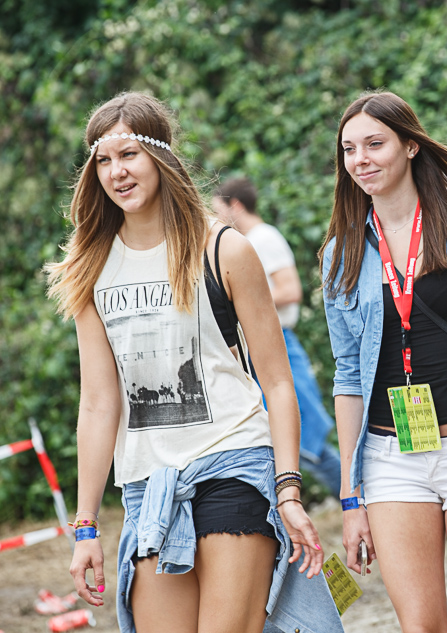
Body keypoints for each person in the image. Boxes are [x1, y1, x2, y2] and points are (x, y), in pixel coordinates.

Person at [45, 92, 337, 633]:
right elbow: (99, 403)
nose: (116, 171)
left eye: (128, 154)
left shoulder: (224, 250)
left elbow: (277, 382)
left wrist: (289, 489)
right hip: (149, 486)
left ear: (159, 156)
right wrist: (85, 527)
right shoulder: (91, 268)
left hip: (234, 465)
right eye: (103, 160)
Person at [320, 91, 447, 633]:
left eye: (375, 144)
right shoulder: (341, 252)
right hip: (390, 457)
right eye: (349, 149)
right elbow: (348, 375)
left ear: (411, 146)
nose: (360, 159)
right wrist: (351, 497)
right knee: (421, 627)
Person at [213, 177, 342, 497]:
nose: (215, 219)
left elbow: (290, 290)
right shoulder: (246, 240)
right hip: (256, 348)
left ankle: (355, 500)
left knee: (306, 441)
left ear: (235, 206)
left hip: (277, 342)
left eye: (218, 210)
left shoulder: (263, 238)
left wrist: (242, 298)